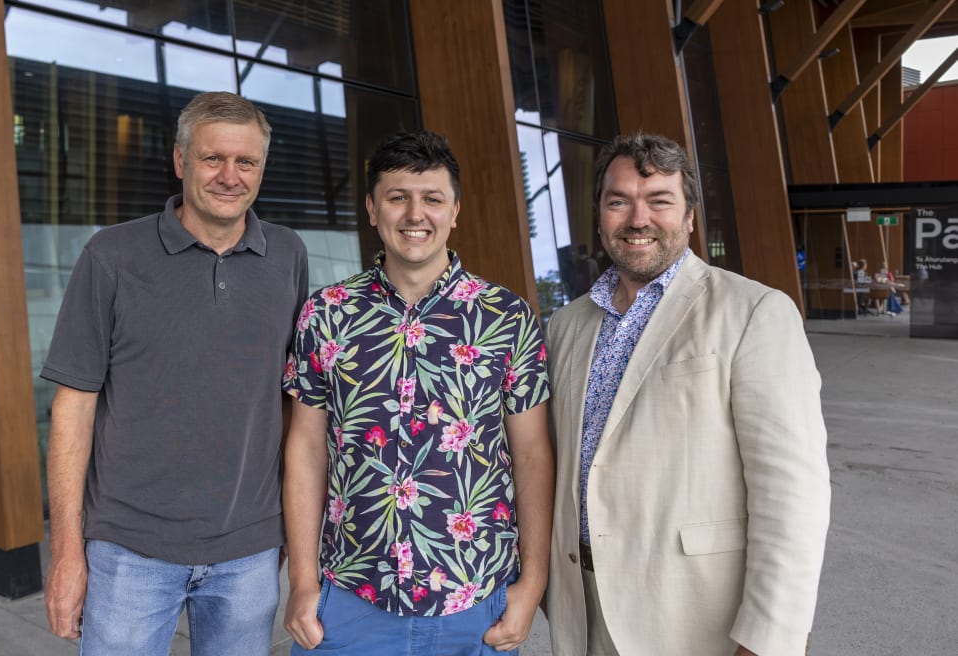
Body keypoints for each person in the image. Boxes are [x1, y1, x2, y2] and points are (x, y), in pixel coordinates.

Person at [544, 132, 830, 656]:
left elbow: (792, 491)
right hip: (584, 612)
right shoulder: (565, 326)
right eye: (618, 201)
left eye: (659, 201)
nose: (637, 218)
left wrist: (771, 638)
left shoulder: (753, 312)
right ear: (600, 214)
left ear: (690, 217)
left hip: (697, 619)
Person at [42, 91, 308, 655]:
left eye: (247, 162)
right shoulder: (111, 256)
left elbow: (292, 405)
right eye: (213, 158)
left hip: (249, 552)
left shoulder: (288, 256)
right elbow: (73, 409)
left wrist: (288, 533)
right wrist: (67, 552)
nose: (230, 176)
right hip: (127, 551)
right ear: (181, 160)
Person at [281, 130, 554, 655]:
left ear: (455, 211)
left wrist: (532, 583)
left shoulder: (506, 317)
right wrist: (301, 582)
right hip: (349, 600)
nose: (415, 214)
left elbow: (532, 454)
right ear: (371, 208)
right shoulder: (326, 314)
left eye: (432, 199)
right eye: (397, 197)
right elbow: (306, 449)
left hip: (476, 603)